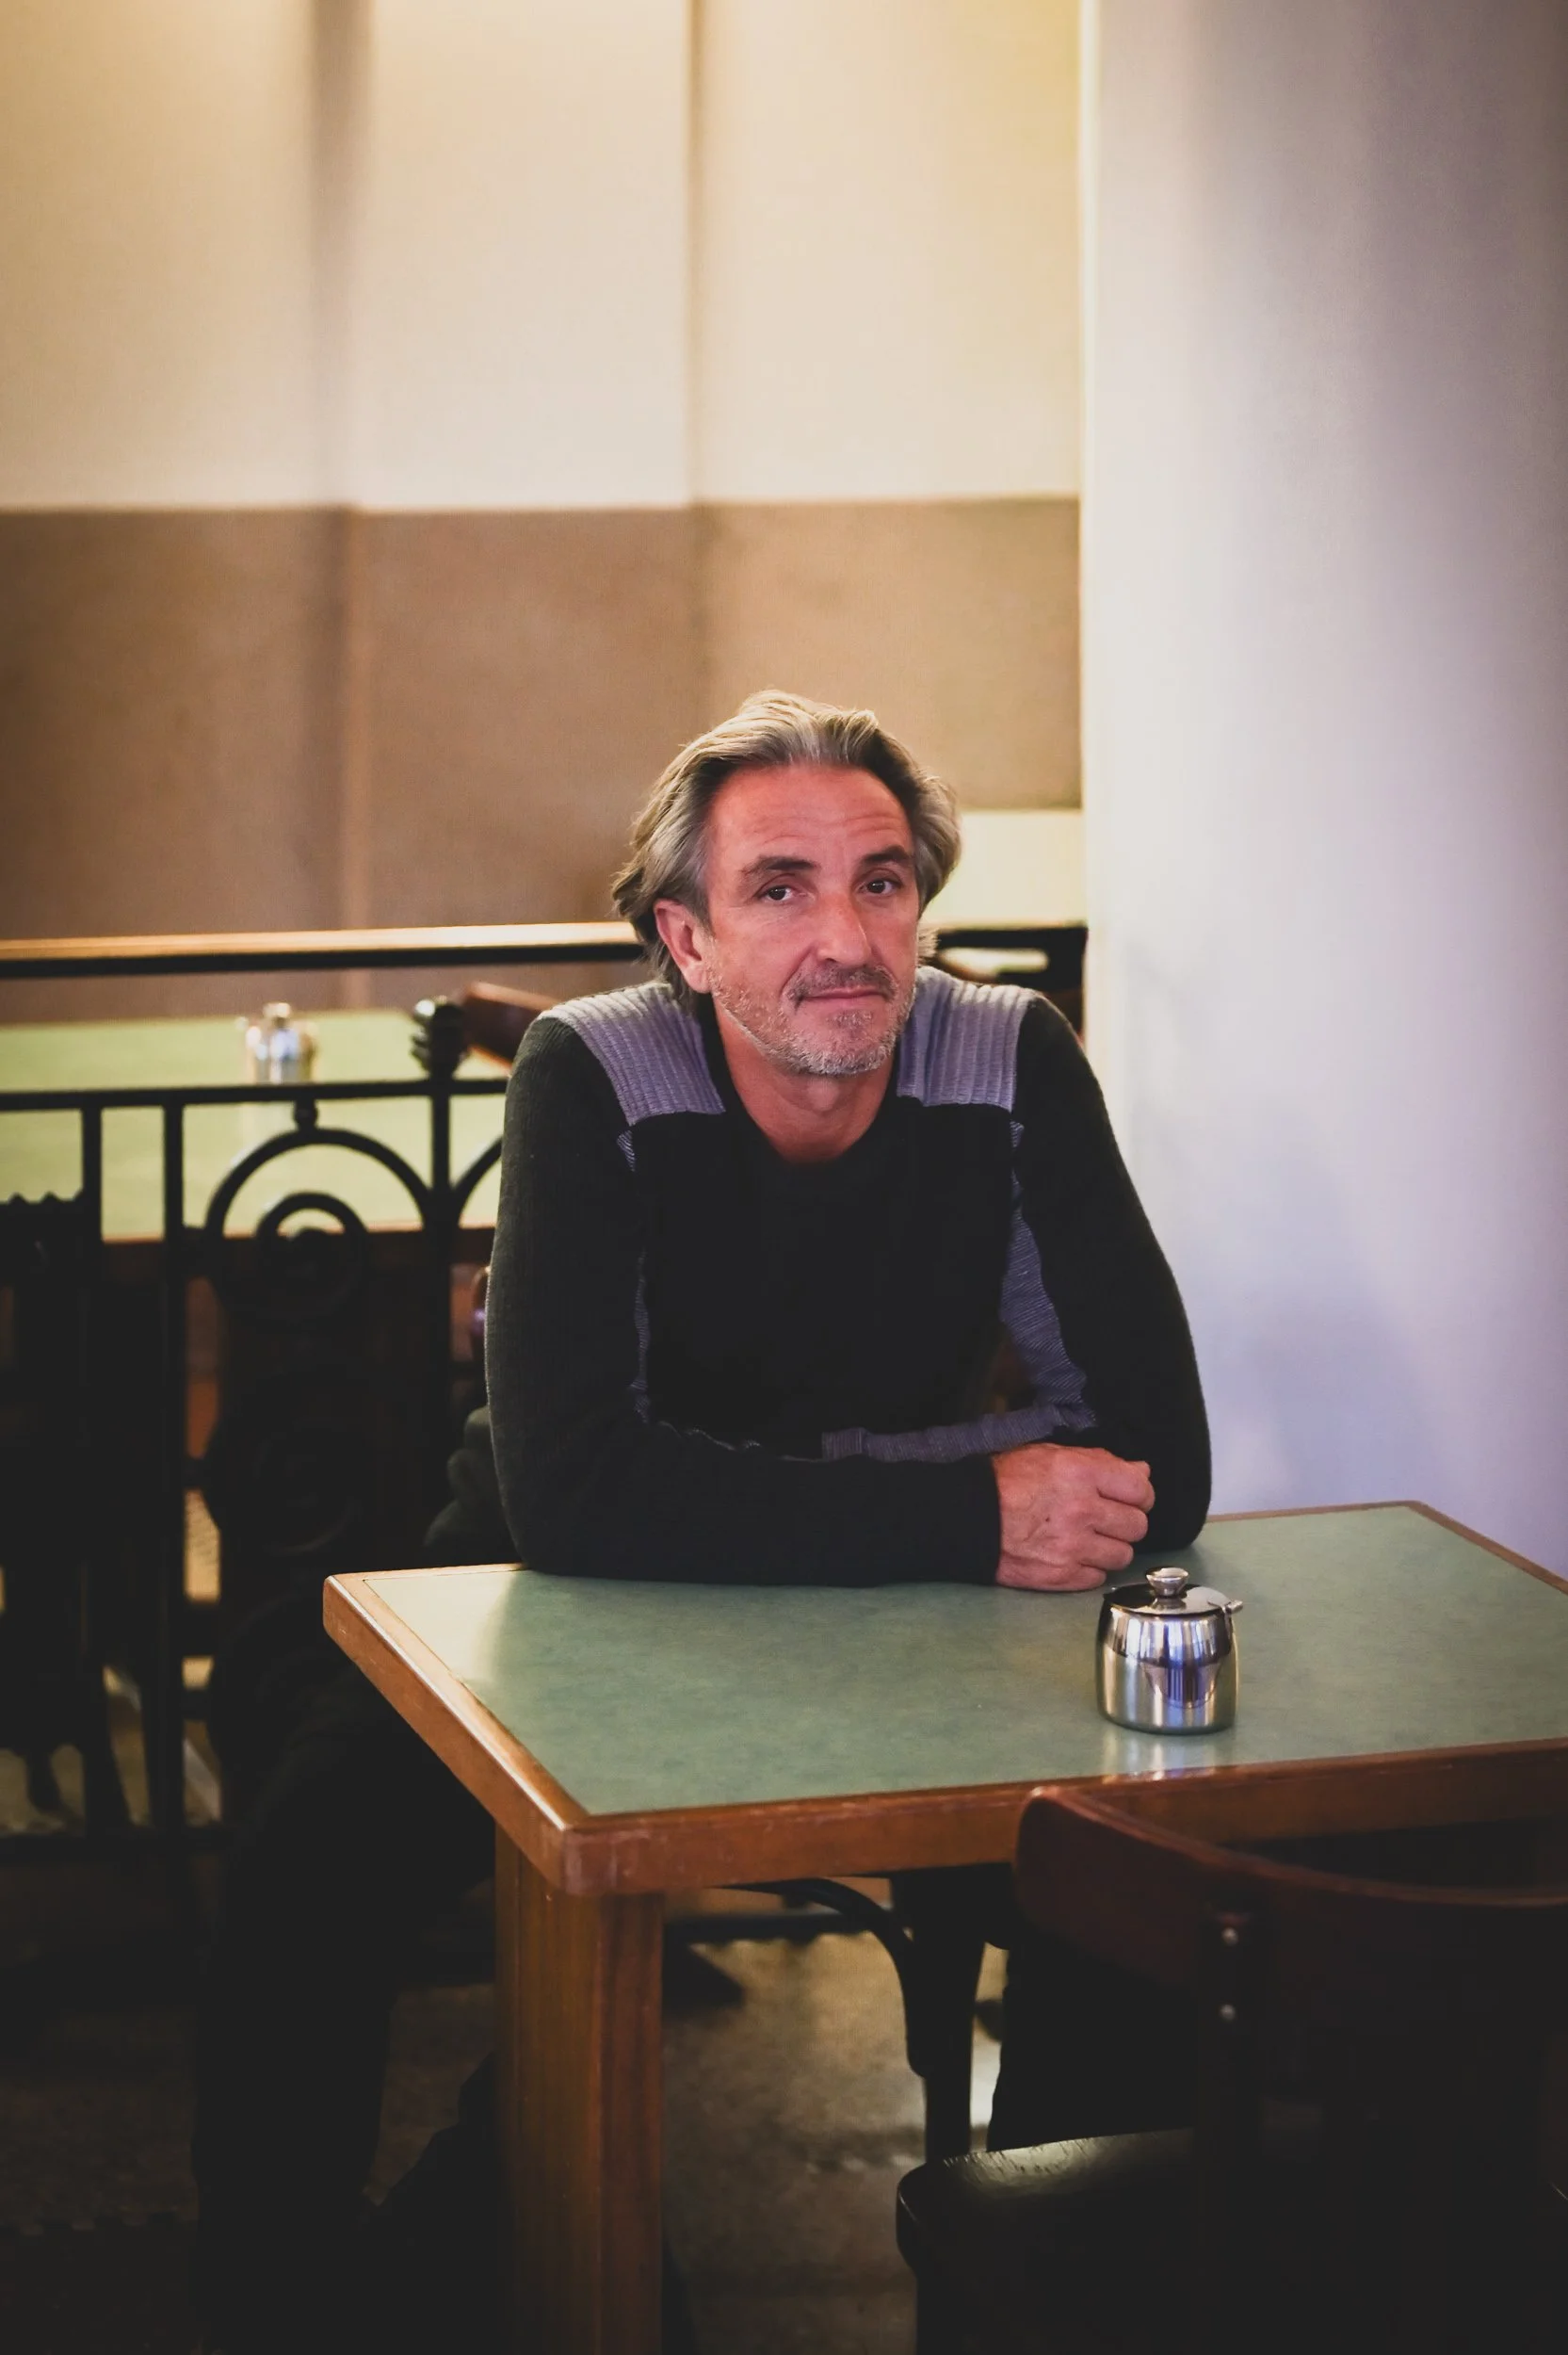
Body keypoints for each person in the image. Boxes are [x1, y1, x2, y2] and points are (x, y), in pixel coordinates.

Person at [192, 690, 1208, 2352]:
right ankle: (278, 2297)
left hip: (898, 1622)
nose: (845, 938)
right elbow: (581, 1490)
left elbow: (1154, 1454)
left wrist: (766, 1486)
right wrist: (965, 1493)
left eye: (883, 883)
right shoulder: (593, 1072)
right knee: (306, 1875)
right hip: (533, 1585)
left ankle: (1027, 2288)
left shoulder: (1008, 1055)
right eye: (780, 888)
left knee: (1145, 1881)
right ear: (687, 936)